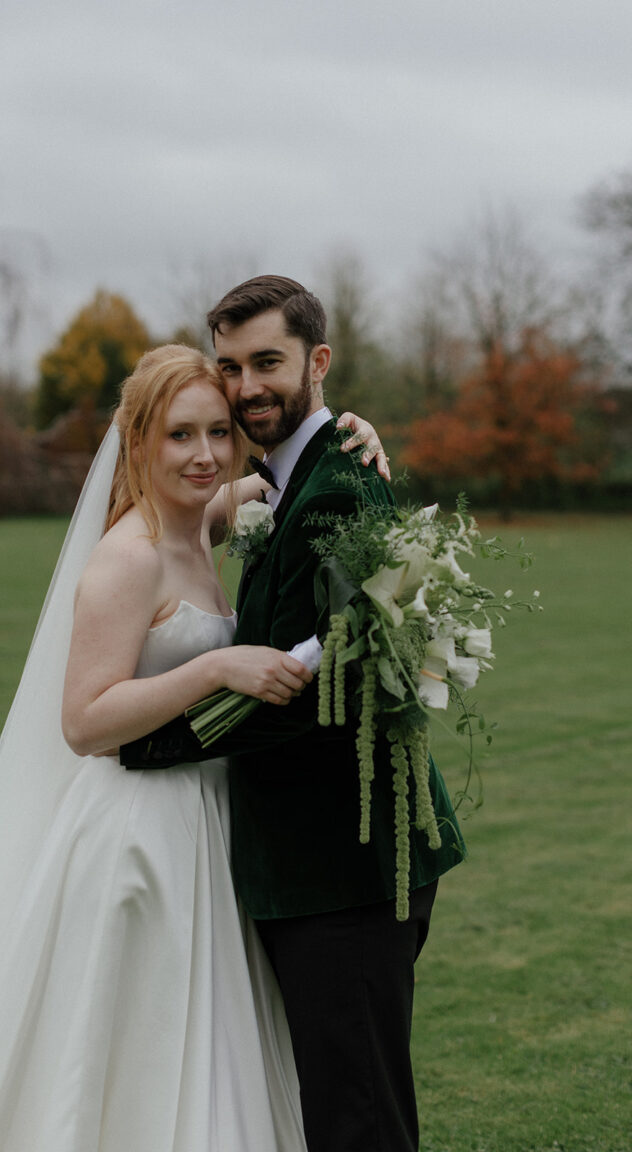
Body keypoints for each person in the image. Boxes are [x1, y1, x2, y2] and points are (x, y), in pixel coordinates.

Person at [0, 342, 383, 1152]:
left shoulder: (200, 521)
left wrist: (351, 434)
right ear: (137, 442)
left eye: (218, 432)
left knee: (208, 1045)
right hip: (139, 836)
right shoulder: (129, 557)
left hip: (206, 819)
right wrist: (216, 667)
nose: (205, 454)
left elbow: (290, 474)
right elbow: (84, 722)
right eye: (180, 435)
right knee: (133, 1050)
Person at [120, 277, 466, 1152]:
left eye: (267, 362)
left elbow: (312, 695)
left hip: (341, 867)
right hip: (309, 862)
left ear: (318, 362)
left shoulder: (336, 487)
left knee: (357, 1120)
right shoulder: (287, 478)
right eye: (231, 367)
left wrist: (147, 740)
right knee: (332, 1100)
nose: (246, 388)